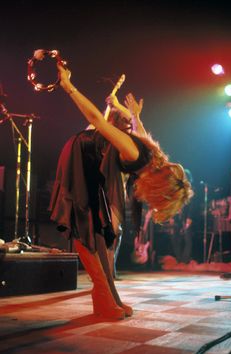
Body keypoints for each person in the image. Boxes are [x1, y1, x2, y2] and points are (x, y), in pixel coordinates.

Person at [49, 63, 194, 320]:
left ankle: (108, 296)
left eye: (176, 174)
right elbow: (140, 133)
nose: (177, 168)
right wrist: (132, 114)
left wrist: (69, 86)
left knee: (107, 233)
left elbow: (95, 118)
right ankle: (103, 295)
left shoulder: (135, 154)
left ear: (162, 178)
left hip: (91, 160)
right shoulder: (150, 159)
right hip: (82, 156)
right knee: (90, 230)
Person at [169, 169, 194, 263]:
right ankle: (180, 258)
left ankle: (185, 259)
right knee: (174, 238)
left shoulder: (191, 189)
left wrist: (189, 218)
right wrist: (171, 216)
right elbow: (173, 203)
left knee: (187, 238)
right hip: (177, 216)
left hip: (186, 216)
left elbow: (192, 205)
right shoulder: (177, 188)